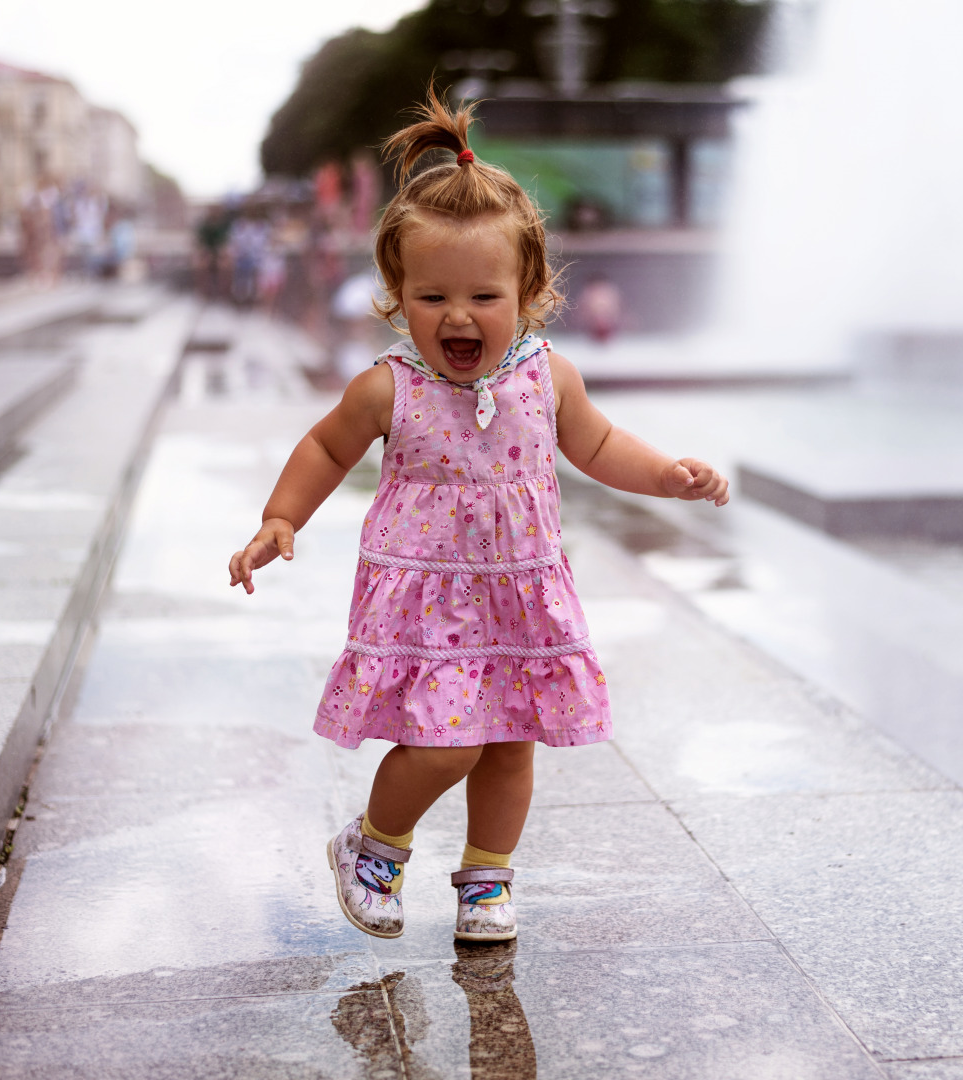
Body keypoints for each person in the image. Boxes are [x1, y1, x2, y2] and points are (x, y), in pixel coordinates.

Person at [226, 89, 729, 944]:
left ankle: (487, 878)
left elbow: (600, 446)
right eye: (431, 298)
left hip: (519, 593)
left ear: (528, 289)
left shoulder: (548, 376)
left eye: (482, 298)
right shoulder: (392, 385)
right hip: (432, 597)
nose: (457, 317)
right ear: (397, 292)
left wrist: (667, 476)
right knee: (449, 742)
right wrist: (282, 518)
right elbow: (324, 447)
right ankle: (374, 848)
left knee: (510, 742)